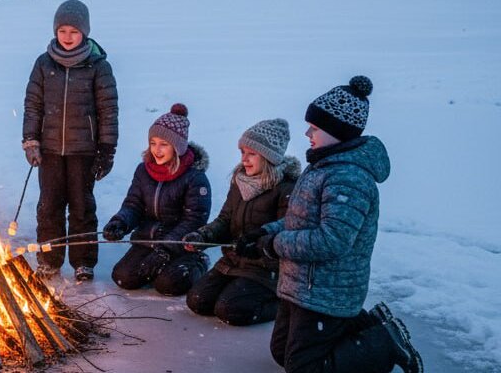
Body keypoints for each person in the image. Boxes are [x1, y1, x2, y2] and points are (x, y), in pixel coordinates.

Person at [240, 76, 422, 373]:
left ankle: (384, 343)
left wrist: (273, 246)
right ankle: (365, 325)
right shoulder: (321, 167)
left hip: (327, 291)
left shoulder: (348, 177)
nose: (307, 132)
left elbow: (332, 240)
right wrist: (265, 232)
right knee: (280, 352)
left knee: (304, 368)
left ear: (336, 132)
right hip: (300, 283)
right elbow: (300, 221)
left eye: (315, 127)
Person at [22, 0, 118, 281]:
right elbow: (33, 105)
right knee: (49, 206)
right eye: (62, 31)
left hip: (83, 150)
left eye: (73, 32)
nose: (67, 37)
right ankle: (49, 258)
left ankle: (83, 260)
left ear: (84, 33)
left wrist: (107, 150)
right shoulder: (43, 63)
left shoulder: (98, 66)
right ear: (55, 31)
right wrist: (31, 140)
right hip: (49, 149)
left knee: (81, 205)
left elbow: (108, 111)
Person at [183, 118, 300, 326]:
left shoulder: (286, 189)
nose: (244, 159)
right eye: (242, 152)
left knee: (230, 310)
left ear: (268, 157)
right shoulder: (239, 181)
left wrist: (258, 247)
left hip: (264, 270)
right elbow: (225, 220)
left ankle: (283, 302)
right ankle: (235, 289)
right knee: (198, 301)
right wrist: (203, 235)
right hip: (232, 262)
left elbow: (286, 232)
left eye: (252, 153)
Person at [103, 104, 211, 295]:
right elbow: (133, 204)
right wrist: (120, 222)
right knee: (123, 277)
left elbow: (194, 220)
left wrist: (166, 249)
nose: (156, 150)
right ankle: (159, 268)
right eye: (153, 143)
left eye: (164, 144)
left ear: (177, 146)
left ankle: (198, 263)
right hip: (147, 240)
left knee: (167, 285)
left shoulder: (194, 178)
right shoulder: (143, 170)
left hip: (179, 245)